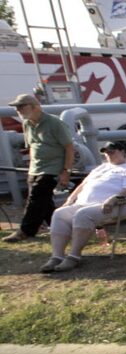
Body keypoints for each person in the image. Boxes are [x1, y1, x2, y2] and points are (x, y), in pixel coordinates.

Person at [38, 141, 126, 272]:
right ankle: (57, 256)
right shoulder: (101, 168)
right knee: (59, 213)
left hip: (116, 205)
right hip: (84, 203)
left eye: (112, 152)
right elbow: (83, 185)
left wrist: (113, 199)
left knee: (83, 214)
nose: (108, 155)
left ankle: (74, 256)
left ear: (122, 152)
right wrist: (70, 200)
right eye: (106, 153)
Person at [3, 93, 74, 243]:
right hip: (35, 167)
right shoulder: (27, 123)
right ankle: (60, 227)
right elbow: (32, 147)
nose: (18, 110)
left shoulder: (54, 123)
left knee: (35, 198)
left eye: (22, 106)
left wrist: (66, 171)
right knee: (44, 202)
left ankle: (26, 230)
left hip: (52, 167)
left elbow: (69, 147)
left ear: (35, 106)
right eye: (16, 107)